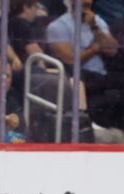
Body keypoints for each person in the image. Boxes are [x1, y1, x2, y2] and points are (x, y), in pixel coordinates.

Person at [46, 0, 124, 130]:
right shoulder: (58, 26)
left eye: (88, 6)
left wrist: (94, 27)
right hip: (80, 77)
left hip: (102, 75)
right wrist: (93, 50)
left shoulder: (97, 22)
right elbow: (70, 59)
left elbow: (112, 50)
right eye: (83, 5)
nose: (85, 9)